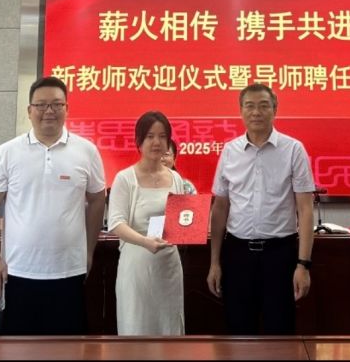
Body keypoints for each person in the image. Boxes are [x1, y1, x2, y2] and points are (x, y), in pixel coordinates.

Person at [0, 76, 107, 335]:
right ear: (29, 110)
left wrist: (88, 251)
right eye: (41, 105)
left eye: (57, 104)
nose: (49, 111)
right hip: (17, 271)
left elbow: (97, 199)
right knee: (17, 348)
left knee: (68, 347)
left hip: (69, 270)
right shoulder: (7, 152)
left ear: (67, 108)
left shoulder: (87, 151)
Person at [207, 83, 317, 335]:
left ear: (275, 110)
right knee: (238, 330)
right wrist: (214, 262)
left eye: (263, 105)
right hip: (237, 254)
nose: (256, 112)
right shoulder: (230, 151)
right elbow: (220, 207)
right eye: (250, 106)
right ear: (241, 111)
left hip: (279, 255)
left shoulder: (293, 149)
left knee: (280, 331)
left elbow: (305, 209)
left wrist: (303, 265)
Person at [106, 111, 194, 336]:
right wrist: (145, 241)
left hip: (168, 266)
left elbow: (182, 219)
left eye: (162, 136)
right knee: (137, 327)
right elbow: (116, 223)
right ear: (139, 141)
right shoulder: (125, 178)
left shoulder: (175, 178)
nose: (157, 142)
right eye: (150, 136)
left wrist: (192, 227)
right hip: (137, 266)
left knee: (169, 329)